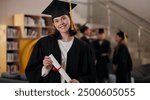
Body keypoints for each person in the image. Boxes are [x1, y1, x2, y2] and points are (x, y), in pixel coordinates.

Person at [25, 0, 96, 83]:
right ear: (54, 24)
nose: (61, 23)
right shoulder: (43, 43)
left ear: (70, 19)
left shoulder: (83, 47)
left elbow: (91, 74)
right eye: (56, 20)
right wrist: (45, 68)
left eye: (63, 18)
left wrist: (79, 81)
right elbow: (30, 72)